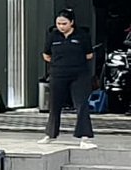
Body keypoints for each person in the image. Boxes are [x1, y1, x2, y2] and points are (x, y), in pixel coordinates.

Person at [41, 8, 97, 149]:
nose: (61, 26)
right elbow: (46, 55)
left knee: (81, 104)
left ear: (72, 22)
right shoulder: (53, 36)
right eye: (58, 23)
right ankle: (50, 134)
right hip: (58, 74)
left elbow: (89, 55)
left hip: (79, 74)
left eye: (64, 23)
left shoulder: (82, 36)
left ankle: (84, 136)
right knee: (54, 104)